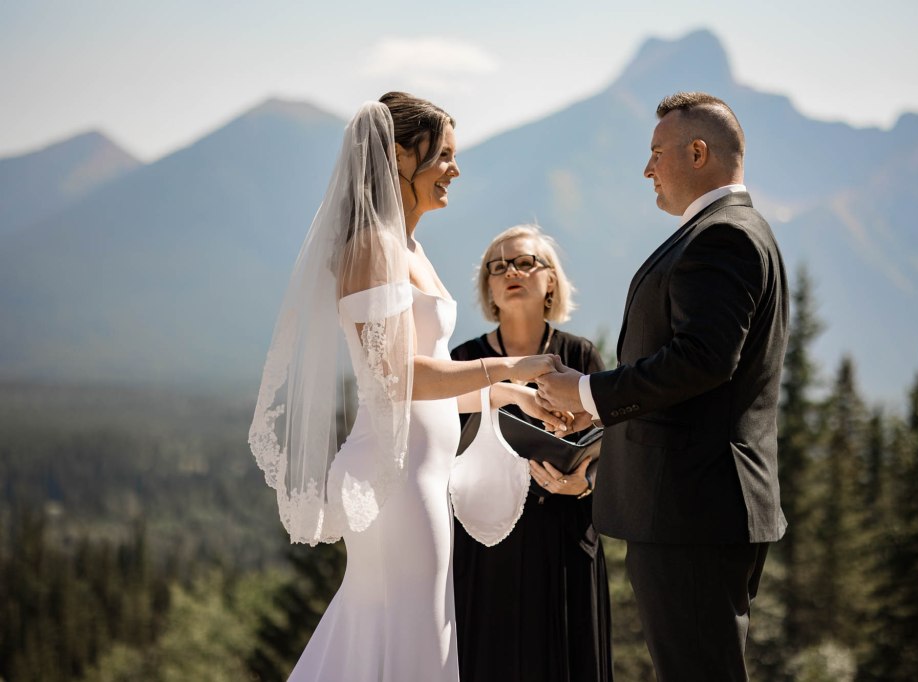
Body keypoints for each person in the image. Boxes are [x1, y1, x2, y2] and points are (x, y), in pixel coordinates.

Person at [249, 93, 563, 682]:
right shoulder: (373, 247)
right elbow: (398, 379)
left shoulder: (410, 246)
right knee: (408, 640)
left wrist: (511, 398)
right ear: (398, 156)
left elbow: (429, 378)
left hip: (419, 473)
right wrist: (509, 369)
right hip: (391, 479)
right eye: (443, 154)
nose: (455, 169)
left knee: (395, 637)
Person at [536, 92, 789, 681]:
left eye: (656, 153)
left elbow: (701, 361)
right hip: (695, 510)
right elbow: (692, 391)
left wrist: (587, 392)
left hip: (693, 514)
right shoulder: (728, 231)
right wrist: (598, 425)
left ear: (698, 152)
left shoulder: (721, 237)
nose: (646, 169)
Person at [450, 224, 613, 682]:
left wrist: (584, 481)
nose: (510, 272)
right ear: (488, 288)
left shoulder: (580, 355)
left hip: (564, 537)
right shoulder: (462, 361)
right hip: (484, 544)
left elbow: (616, 442)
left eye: (525, 262)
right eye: (497, 267)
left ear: (551, 282)